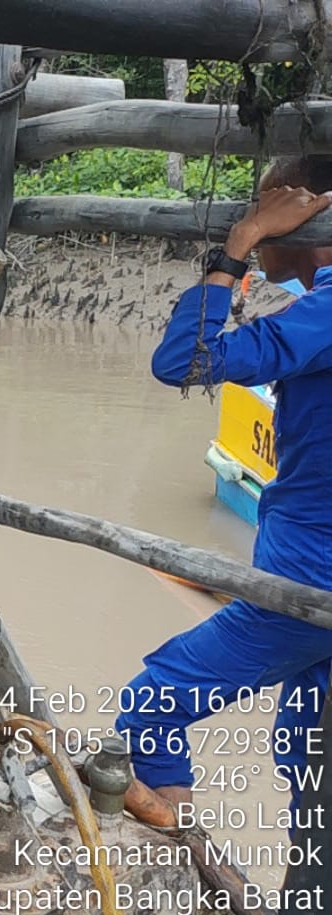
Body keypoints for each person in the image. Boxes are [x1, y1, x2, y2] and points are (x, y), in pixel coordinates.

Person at [115, 161, 332, 815]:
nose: (257, 230)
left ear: (304, 216)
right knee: (307, 749)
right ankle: (305, 904)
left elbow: (185, 359)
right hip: (305, 581)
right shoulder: (311, 315)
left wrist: (232, 252)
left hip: (307, 585)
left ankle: (190, 877)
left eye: (263, 215)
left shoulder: (323, 315)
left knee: (152, 705)